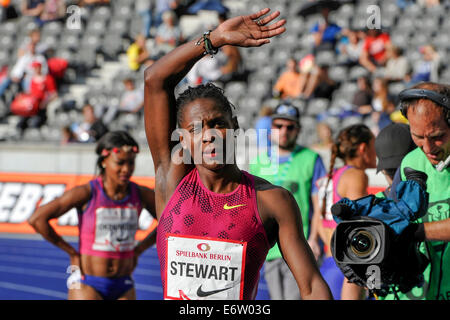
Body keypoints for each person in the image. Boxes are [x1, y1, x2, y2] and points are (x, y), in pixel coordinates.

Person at [144, 8, 333, 300]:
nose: (208, 134)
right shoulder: (172, 179)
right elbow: (155, 79)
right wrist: (215, 39)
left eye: (218, 124)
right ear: (182, 140)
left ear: (235, 128)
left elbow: (311, 287)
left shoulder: (272, 201)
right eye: (196, 129)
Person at [28, 131, 157, 300]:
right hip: (86, 283)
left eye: (131, 163)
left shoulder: (140, 194)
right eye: (120, 163)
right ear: (104, 161)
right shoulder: (86, 192)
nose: (126, 169)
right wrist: (72, 253)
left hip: (124, 284)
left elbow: (169, 222)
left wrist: (140, 249)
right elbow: (37, 219)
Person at [250, 102, 327, 300]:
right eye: (279, 125)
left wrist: (314, 238)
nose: (284, 131)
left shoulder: (311, 159)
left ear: (298, 130)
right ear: (271, 128)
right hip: (268, 249)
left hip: (299, 245)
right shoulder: (258, 162)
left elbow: (320, 204)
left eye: (290, 126)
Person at [386, 82, 450, 300]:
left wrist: (414, 232)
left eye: (437, 136)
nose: (428, 148)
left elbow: (405, 230)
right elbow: (395, 218)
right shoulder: (410, 163)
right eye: (418, 137)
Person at [315, 123, 377, 300]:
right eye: (374, 146)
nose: (376, 152)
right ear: (363, 148)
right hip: (348, 269)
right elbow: (359, 227)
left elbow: (320, 221)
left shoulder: (330, 176)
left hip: (329, 265)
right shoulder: (356, 175)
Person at [374, 123, 416, 198]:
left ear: (383, 170)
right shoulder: (435, 194)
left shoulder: (374, 205)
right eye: (392, 171)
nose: (397, 177)